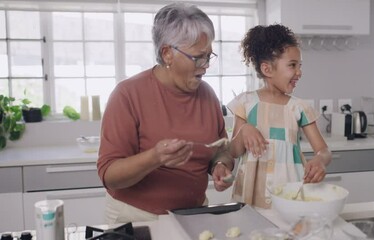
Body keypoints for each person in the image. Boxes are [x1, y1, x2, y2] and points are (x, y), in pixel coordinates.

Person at [97, 2, 234, 224]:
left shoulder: (207, 95)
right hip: (137, 218)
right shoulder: (127, 95)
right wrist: (155, 157)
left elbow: (222, 148)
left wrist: (220, 165)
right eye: (198, 57)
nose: (206, 65)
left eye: (209, 56)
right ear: (168, 53)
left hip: (195, 215)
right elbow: (109, 175)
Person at [227, 24, 332, 209]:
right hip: (251, 194)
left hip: (290, 193)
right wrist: (244, 130)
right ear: (267, 69)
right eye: (292, 65)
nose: (299, 72)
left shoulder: (299, 108)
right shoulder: (245, 103)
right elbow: (234, 152)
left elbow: (323, 150)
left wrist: (320, 160)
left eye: (300, 66)